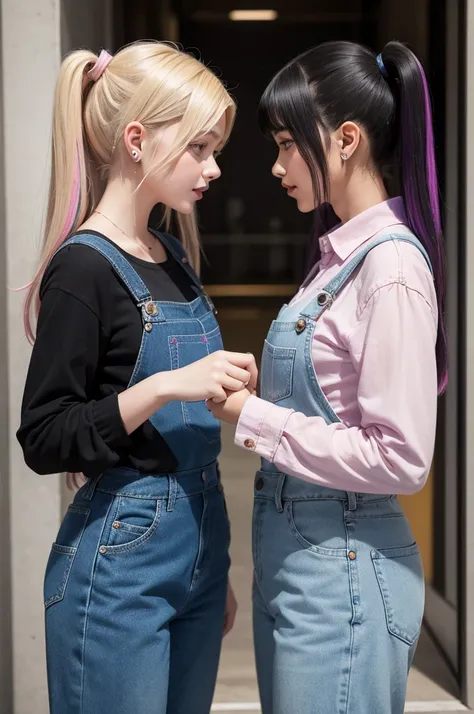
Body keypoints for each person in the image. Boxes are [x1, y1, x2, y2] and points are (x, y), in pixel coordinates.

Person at [17, 42, 257, 714]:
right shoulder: (83, 270)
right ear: (136, 140)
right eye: (200, 148)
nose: (213, 168)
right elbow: (44, 436)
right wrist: (164, 386)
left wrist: (209, 570)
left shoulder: (172, 255)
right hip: (120, 561)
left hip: (201, 541)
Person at [209, 40, 445, 714]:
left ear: (346, 140)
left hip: (343, 575)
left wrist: (254, 416)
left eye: (287, 143)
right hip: (309, 569)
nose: (278, 166)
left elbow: (400, 458)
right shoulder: (339, 257)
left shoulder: (390, 269)